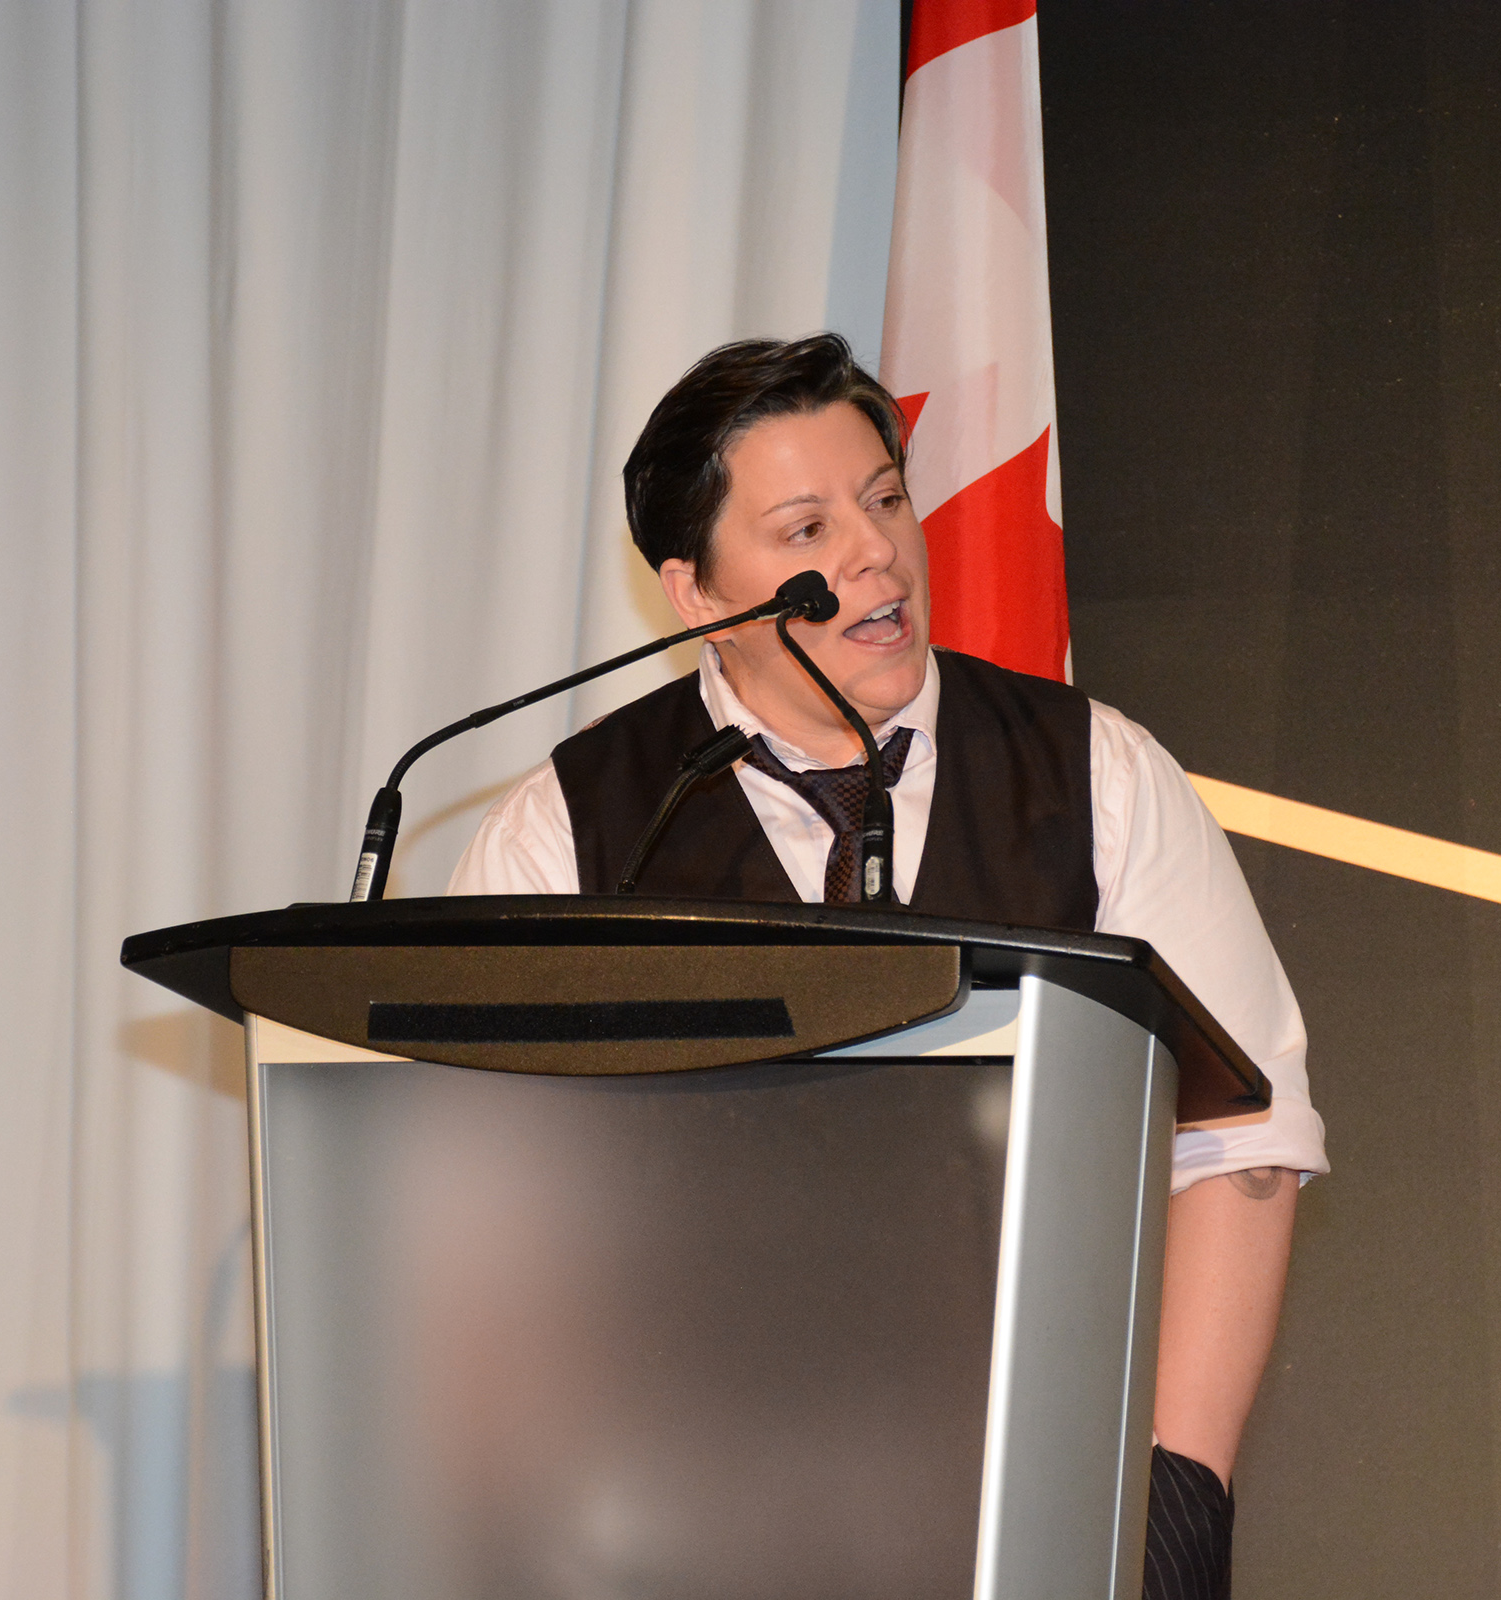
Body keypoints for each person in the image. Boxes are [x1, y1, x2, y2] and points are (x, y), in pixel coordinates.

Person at [449, 332, 1327, 1599]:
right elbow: (491, 1215)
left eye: (886, 499)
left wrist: (1168, 1498)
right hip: (681, 1525)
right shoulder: (567, 832)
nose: (875, 554)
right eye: (808, 529)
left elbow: (1239, 1141)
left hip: (1043, 1499)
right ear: (696, 593)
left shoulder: (1096, 774)